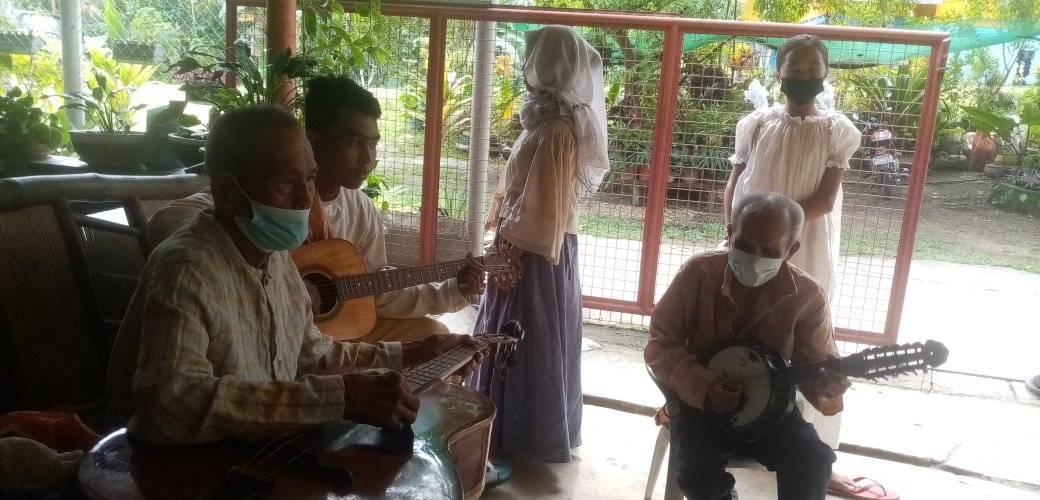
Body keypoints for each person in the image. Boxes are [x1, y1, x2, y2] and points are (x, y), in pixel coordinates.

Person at [106, 105, 478, 445]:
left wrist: (413, 352)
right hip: (193, 475)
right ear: (227, 192)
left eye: (311, 179)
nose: (306, 199)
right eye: (287, 182)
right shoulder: (187, 268)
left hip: (262, 452)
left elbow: (312, 357)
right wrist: (337, 398)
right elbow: (172, 402)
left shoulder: (278, 259)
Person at [147, 76, 483, 344]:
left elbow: (375, 293)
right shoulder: (266, 195)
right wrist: (287, 281)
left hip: (332, 338)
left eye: (373, 143)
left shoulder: (360, 209)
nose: (367, 158)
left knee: (437, 338)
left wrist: (452, 294)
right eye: (353, 142)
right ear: (314, 141)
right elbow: (168, 221)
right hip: (270, 335)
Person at [721, 34, 862, 491]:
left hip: (802, 242)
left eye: (812, 69)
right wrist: (736, 227)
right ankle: (736, 419)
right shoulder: (755, 123)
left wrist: (777, 230)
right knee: (739, 323)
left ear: (824, 73)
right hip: (748, 243)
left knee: (806, 336)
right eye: (794, 68)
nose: (803, 77)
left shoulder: (837, 130)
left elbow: (823, 198)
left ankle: (810, 447)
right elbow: (735, 181)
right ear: (778, 71)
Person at [645, 192, 850, 500]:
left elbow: (818, 361)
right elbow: (661, 343)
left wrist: (828, 383)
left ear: (791, 250)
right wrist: (704, 386)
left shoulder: (807, 296)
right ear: (730, 233)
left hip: (773, 414)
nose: (755, 258)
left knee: (813, 458)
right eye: (744, 245)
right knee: (697, 475)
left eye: (769, 250)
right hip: (702, 409)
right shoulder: (698, 274)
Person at [471, 25, 610, 464]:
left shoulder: (555, 129)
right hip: (526, 244)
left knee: (524, 335)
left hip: (532, 252)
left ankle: (524, 433)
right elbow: (521, 188)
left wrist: (510, 251)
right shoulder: (549, 120)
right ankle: (518, 427)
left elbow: (544, 205)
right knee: (526, 335)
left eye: (534, 58)